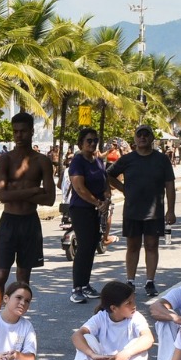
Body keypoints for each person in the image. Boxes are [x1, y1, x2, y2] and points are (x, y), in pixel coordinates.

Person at [0, 113, 56, 311]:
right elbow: (3, 196)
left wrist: (16, 193)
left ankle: (17, 318)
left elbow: (50, 199)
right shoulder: (5, 160)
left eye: (23, 131)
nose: (19, 136)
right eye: (15, 132)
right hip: (9, 221)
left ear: (31, 132)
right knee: (0, 275)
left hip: (30, 222)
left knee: (23, 277)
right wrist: (34, 190)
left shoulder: (42, 161)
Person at [106, 126, 176, 297]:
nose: (143, 137)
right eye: (140, 135)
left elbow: (170, 185)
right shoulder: (128, 159)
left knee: (152, 246)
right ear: (135, 138)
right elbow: (108, 175)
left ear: (152, 138)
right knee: (133, 246)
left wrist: (171, 210)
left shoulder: (162, 160)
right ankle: (130, 281)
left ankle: (150, 281)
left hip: (155, 212)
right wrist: (123, 188)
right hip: (132, 211)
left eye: (146, 135)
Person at [68, 281, 153, 360]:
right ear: (114, 308)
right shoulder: (101, 317)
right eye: (128, 303)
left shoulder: (136, 317)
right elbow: (76, 336)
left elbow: (148, 338)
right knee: (86, 338)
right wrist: (93, 355)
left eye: (133, 300)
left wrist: (126, 353)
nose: (134, 306)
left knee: (139, 344)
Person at [65, 128, 110, 304]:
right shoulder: (77, 162)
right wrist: (97, 203)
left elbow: (105, 182)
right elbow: (79, 188)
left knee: (92, 246)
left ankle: (85, 284)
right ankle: (76, 288)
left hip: (97, 209)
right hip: (81, 209)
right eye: (89, 141)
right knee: (84, 247)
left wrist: (106, 198)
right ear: (81, 143)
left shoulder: (98, 161)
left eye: (95, 141)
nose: (92, 144)